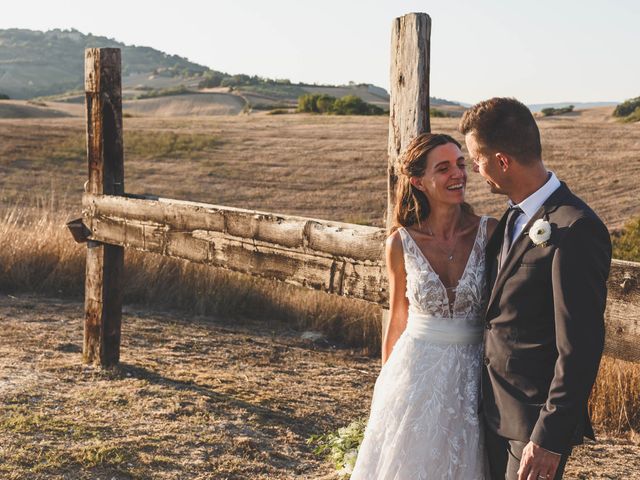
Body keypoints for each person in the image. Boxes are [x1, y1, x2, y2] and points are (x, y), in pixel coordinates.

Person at [460, 97, 612, 480]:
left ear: (502, 161)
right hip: (490, 410)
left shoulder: (574, 228)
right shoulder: (510, 217)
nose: (476, 169)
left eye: (477, 158)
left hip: (532, 426)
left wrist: (550, 437)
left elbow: (580, 345)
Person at [350, 133, 497, 479]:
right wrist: (387, 383)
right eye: (444, 168)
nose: (458, 175)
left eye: (461, 165)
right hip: (416, 373)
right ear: (418, 181)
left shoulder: (489, 232)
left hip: (475, 373)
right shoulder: (400, 244)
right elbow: (398, 316)